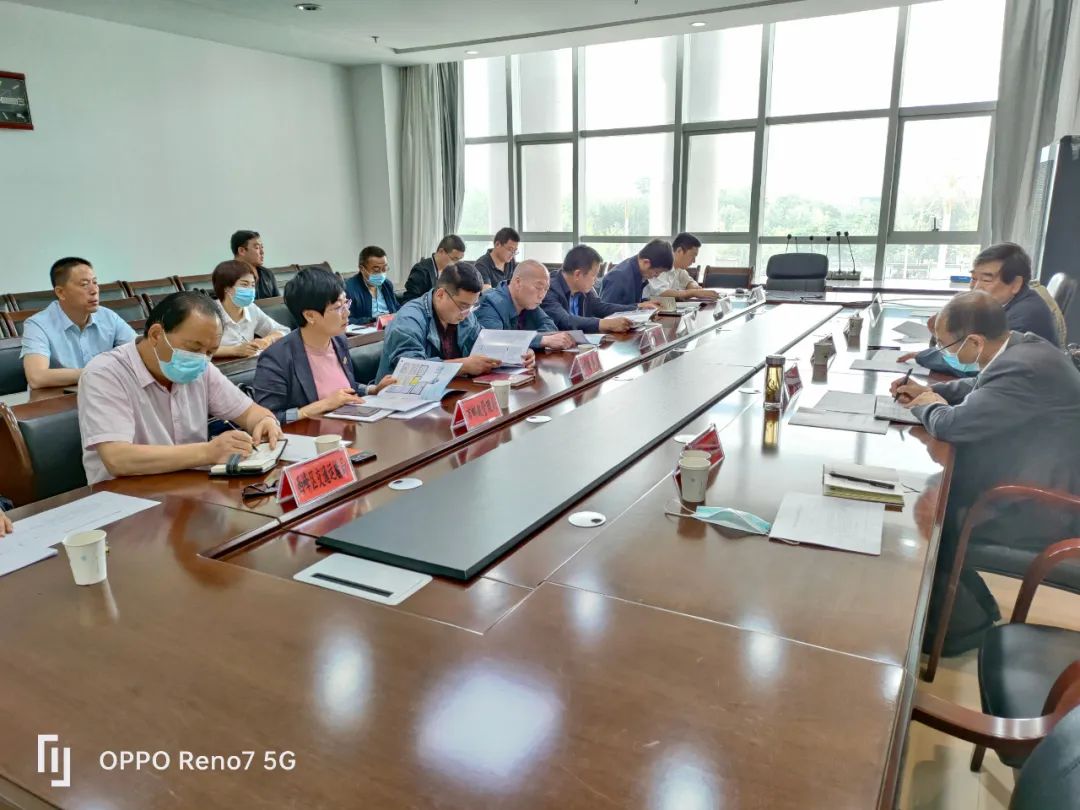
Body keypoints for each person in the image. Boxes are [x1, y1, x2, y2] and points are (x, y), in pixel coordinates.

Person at [892, 290, 1080, 654]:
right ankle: (975, 607)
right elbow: (979, 386)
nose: (943, 352)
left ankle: (958, 628)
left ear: (975, 341)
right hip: (1037, 476)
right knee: (938, 493)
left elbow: (952, 426)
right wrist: (931, 390)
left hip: (1045, 508)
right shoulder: (1024, 347)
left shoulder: (1022, 367)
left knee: (937, 512)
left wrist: (925, 404)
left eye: (946, 345)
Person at [77, 292, 283, 485]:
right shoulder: (105, 373)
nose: (201, 359)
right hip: (128, 496)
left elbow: (249, 412)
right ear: (156, 335)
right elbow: (118, 459)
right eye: (194, 348)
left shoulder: (202, 368)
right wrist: (208, 452)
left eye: (210, 352)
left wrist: (265, 421)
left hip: (191, 489)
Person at [254, 268, 395, 423]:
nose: (347, 313)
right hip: (311, 434)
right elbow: (268, 418)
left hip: (347, 428)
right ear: (310, 315)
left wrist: (372, 389)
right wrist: (322, 405)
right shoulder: (277, 358)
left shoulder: (338, 340)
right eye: (338, 307)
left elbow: (344, 387)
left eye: (346, 303)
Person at [904, 243, 1061, 375]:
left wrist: (926, 356)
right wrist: (941, 333)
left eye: (986, 280)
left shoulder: (1025, 317)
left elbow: (976, 367)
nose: (976, 287)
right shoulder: (1005, 304)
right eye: (973, 278)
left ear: (1015, 284)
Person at [377, 262, 525, 380]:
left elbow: (484, 344)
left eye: (472, 306)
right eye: (463, 306)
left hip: (448, 390)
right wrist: (462, 366)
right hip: (400, 397)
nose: (466, 313)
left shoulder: (465, 315)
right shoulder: (409, 319)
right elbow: (410, 369)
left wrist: (518, 352)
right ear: (440, 294)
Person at [20, 257, 136, 389]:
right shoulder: (37, 325)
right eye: (84, 284)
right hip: (59, 398)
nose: (94, 290)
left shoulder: (108, 317)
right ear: (61, 292)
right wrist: (100, 372)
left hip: (105, 392)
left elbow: (141, 353)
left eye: (95, 282)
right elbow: (37, 377)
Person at [475, 260, 576, 351]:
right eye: (538, 287)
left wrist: (528, 341)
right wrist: (541, 340)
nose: (542, 295)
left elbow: (550, 327)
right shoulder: (490, 303)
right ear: (518, 282)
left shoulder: (528, 303)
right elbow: (494, 340)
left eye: (546, 289)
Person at [542, 245, 636, 334]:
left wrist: (637, 308)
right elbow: (565, 321)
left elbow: (599, 307)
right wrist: (605, 324)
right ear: (577, 274)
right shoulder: (547, 289)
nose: (596, 280)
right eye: (594, 275)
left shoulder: (583, 288)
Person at [211, 260, 288, 359]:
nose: (250, 290)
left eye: (252, 285)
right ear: (226, 288)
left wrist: (267, 340)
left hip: (247, 364)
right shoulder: (209, 311)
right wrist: (234, 350)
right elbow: (195, 350)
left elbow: (284, 331)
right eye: (244, 285)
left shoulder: (251, 309)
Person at [644, 233, 719, 301]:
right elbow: (661, 292)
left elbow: (690, 281)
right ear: (679, 251)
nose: (694, 261)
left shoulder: (680, 270)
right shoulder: (660, 266)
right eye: (693, 256)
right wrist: (693, 292)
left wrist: (694, 287)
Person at [599, 240, 674, 307]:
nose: (657, 276)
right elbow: (605, 310)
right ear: (646, 262)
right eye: (657, 272)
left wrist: (646, 303)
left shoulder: (638, 273)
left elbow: (629, 303)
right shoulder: (618, 276)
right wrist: (639, 306)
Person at [401, 235, 466, 303]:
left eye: (459, 260)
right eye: (454, 259)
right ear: (441, 251)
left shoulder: (449, 272)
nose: (456, 263)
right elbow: (409, 302)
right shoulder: (421, 271)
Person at [345, 246, 399, 325]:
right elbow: (346, 320)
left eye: (384, 269)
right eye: (376, 270)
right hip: (369, 329)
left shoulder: (387, 284)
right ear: (362, 269)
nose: (381, 273)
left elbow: (397, 308)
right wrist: (374, 320)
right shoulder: (349, 289)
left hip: (392, 326)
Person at [231, 230, 279, 299]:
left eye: (262, 247)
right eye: (257, 248)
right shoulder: (226, 276)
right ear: (241, 251)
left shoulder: (267, 274)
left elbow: (278, 302)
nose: (262, 252)